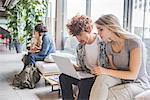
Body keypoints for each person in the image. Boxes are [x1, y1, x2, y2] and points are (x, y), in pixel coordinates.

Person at [89, 14, 150, 100]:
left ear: (111, 27)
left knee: (109, 94)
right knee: (101, 79)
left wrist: (105, 71)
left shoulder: (133, 42)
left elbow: (133, 75)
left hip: (138, 83)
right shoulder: (108, 46)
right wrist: (101, 71)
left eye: (101, 29)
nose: (98, 33)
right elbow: (115, 70)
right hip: (122, 80)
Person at [59, 15, 109, 100]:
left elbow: (109, 64)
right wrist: (75, 68)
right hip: (86, 74)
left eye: (80, 34)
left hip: (98, 76)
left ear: (88, 29)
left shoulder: (102, 43)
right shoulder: (80, 47)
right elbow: (83, 67)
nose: (78, 38)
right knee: (63, 77)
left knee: (84, 83)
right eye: (76, 36)